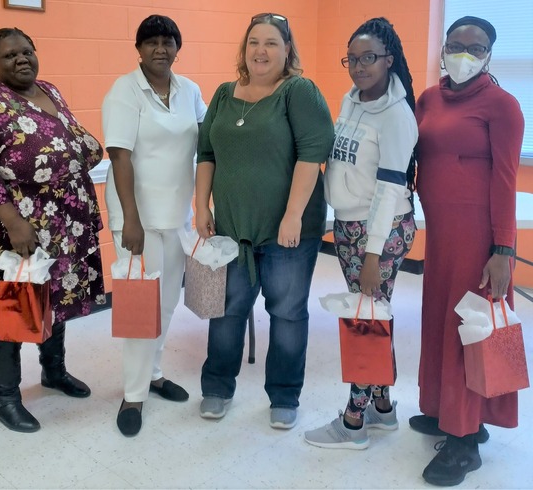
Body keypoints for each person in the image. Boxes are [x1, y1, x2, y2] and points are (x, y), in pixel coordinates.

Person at [0, 28, 106, 433]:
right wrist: (15, 223)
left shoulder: (50, 91)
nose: (20, 60)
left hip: (65, 219)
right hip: (19, 224)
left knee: (54, 293)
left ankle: (53, 371)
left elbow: (70, 144)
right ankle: (4, 398)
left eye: (26, 51)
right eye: (8, 56)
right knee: (13, 303)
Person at [195, 12, 334, 430]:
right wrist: (202, 207)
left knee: (287, 313)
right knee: (226, 310)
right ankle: (217, 388)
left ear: (287, 50)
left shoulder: (298, 92)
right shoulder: (222, 94)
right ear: (244, 49)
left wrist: (292, 217)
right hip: (232, 230)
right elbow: (207, 154)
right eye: (254, 41)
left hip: (288, 232)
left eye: (272, 42)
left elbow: (312, 155)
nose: (261, 50)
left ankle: (284, 396)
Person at [413, 16, 524, 486]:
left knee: (470, 325)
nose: (464, 53)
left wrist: (503, 248)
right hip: (440, 234)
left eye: (475, 48)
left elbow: (505, 181)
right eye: (456, 45)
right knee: (440, 317)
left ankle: (464, 439)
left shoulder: (502, 106)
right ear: (443, 48)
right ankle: (447, 409)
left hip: (479, 235)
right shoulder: (429, 98)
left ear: (488, 55)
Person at [303, 17, 418, 449]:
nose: (358, 66)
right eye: (351, 58)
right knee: (374, 316)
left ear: (388, 59)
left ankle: (353, 421)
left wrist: (372, 255)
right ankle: (383, 409)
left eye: (368, 58)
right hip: (351, 226)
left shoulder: (396, 115)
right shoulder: (351, 100)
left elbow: (390, 191)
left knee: (363, 321)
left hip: (379, 233)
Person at [102, 14, 207, 437]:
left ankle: (155, 374)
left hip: (176, 215)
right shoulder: (125, 91)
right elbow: (120, 156)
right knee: (138, 309)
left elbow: (206, 145)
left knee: (165, 304)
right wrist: (131, 219)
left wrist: (202, 207)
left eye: (168, 41)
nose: (160, 49)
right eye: (151, 42)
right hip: (137, 221)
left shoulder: (190, 90)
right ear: (138, 48)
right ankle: (133, 394)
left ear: (178, 47)